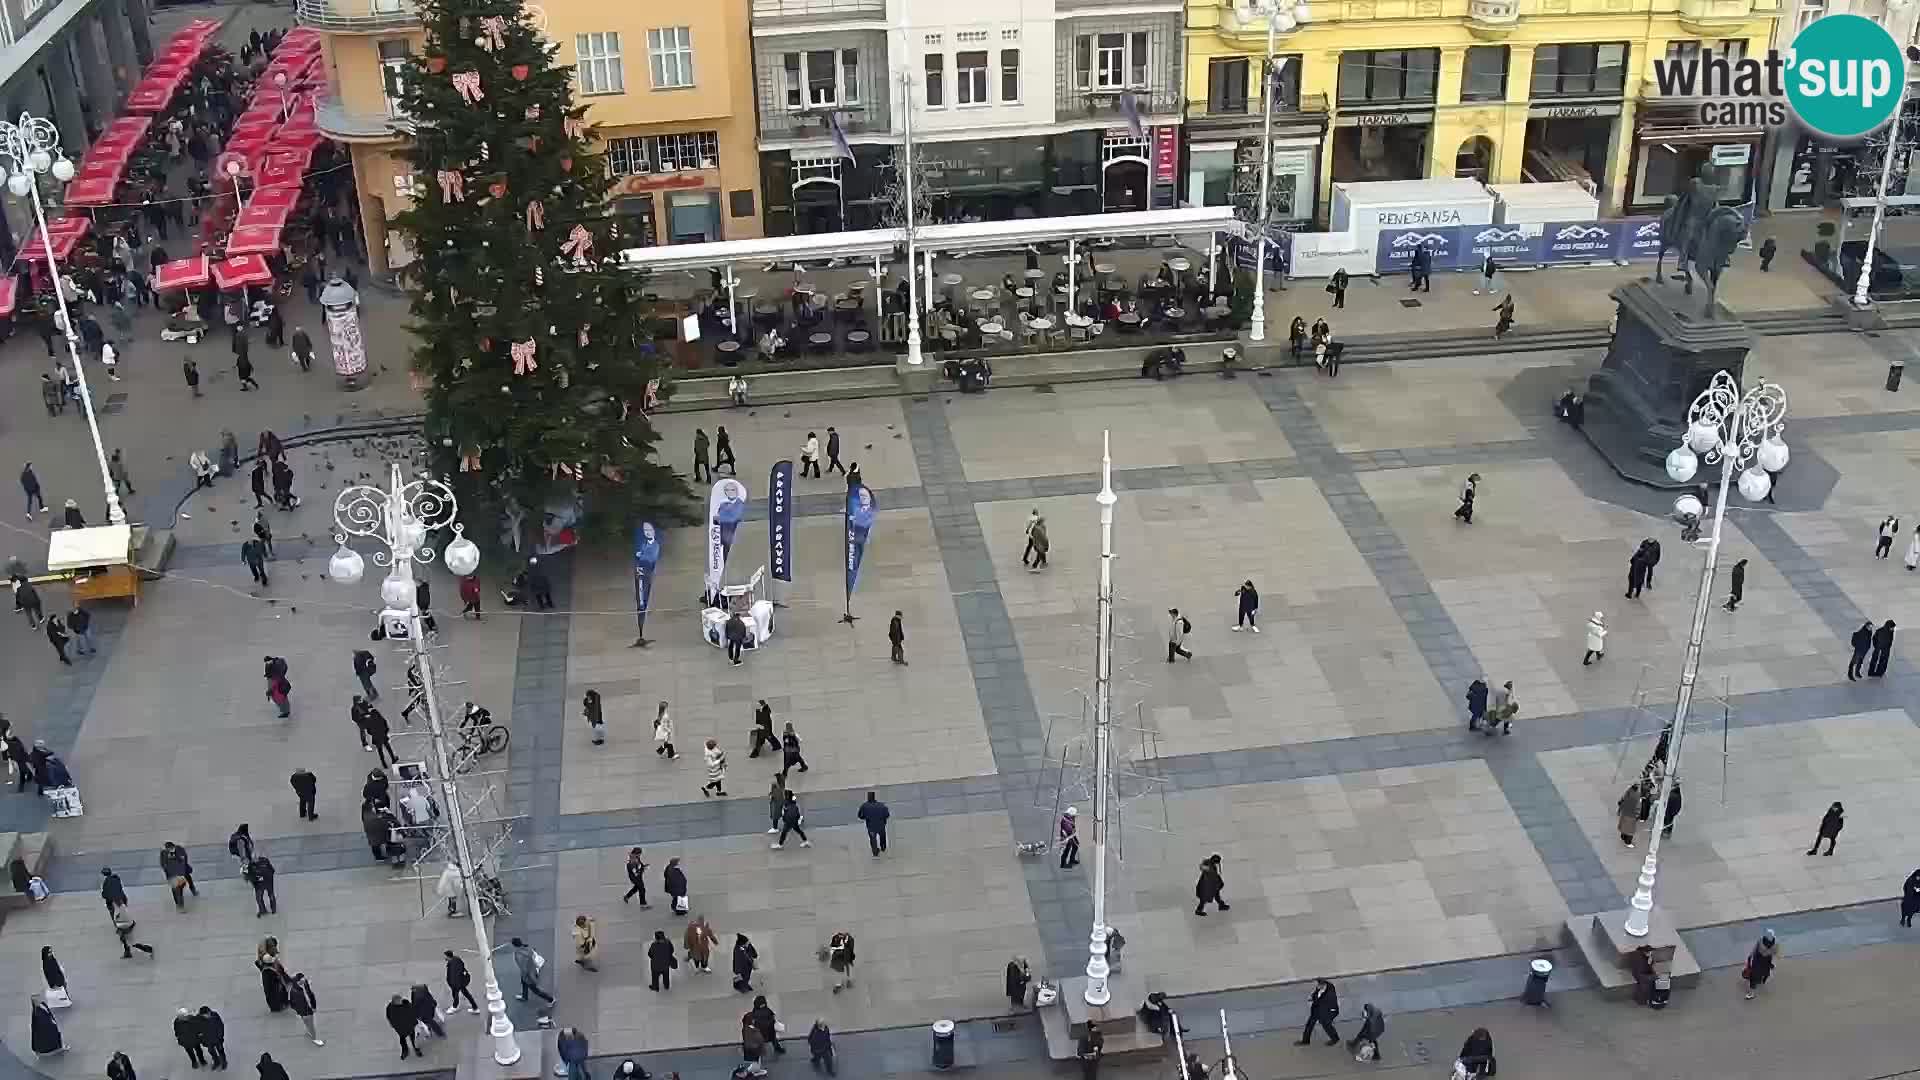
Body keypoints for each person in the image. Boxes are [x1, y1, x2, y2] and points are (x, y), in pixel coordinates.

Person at [511, 936, 555, 1006]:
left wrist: (525, 976)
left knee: (536, 990)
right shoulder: (526, 948)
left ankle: (550, 999)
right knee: (524, 984)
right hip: (532, 970)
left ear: (514, 945)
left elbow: (524, 968)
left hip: (528, 975)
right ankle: (524, 997)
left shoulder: (519, 954)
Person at [1298, 978, 1340, 1046]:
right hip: (1318, 1009)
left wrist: (1314, 998)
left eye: (1319, 985)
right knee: (1310, 1024)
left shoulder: (1329, 993)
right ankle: (1305, 1040)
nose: (1317, 987)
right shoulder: (1322, 987)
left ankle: (1335, 1039)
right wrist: (1314, 995)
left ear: (1323, 985)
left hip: (1327, 1011)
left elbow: (1320, 1001)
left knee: (1327, 1025)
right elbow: (1316, 994)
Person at [1743, 930, 1778, 999]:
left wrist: (1772, 963)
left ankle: (1760, 982)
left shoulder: (1773, 943)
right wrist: (1750, 957)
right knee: (1755, 975)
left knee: (1761, 974)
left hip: (1763, 960)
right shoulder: (1763, 941)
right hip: (1761, 960)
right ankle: (1752, 993)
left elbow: (1775, 953)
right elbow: (1755, 949)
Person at [257, 938, 289, 1012]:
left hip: (281, 999)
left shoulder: (272, 964)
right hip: (277, 1003)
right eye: (272, 947)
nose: (275, 948)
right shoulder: (268, 970)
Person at [386, 994, 421, 1059]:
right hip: (400, 1028)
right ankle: (405, 1051)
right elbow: (388, 1016)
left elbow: (413, 1012)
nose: (400, 1001)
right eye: (398, 1000)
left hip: (409, 1026)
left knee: (413, 1039)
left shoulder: (407, 1005)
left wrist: (415, 1021)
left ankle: (416, 1048)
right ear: (394, 1002)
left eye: (400, 1000)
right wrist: (392, 1024)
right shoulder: (390, 1008)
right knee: (402, 1040)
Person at [858, 791, 890, 856]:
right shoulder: (881, 805)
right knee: (882, 836)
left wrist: (865, 817)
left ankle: (875, 852)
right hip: (881, 825)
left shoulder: (864, 806)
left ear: (868, 797)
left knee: (873, 839)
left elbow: (860, 815)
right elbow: (887, 815)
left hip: (871, 826)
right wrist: (883, 820)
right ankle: (883, 848)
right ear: (874, 797)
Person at [198, 1005, 228, 1070]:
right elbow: (199, 1031)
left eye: (207, 1014)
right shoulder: (200, 1020)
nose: (206, 1016)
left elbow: (220, 1027)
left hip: (218, 1039)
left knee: (221, 1051)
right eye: (204, 1015)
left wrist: (220, 1037)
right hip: (208, 1041)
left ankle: (224, 1062)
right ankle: (216, 1062)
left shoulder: (215, 1015)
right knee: (212, 1052)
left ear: (209, 1011)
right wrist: (202, 1040)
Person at [1617, 781, 1643, 847]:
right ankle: (1628, 842)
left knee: (1624, 826)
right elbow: (1638, 806)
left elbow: (1621, 800)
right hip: (1631, 815)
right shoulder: (1637, 795)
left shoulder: (1628, 791)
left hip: (1625, 812)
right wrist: (1637, 815)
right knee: (1630, 829)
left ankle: (1623, 837)